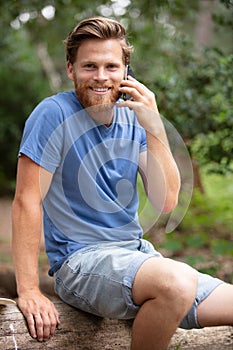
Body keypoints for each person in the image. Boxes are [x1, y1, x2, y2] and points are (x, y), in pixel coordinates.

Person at [12, 17, 233, 350]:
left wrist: (154, 126)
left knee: (186, 285)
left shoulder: (134, 118)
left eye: (111, 66)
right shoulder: (53, 114)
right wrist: (28, 289)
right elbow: (26, 201)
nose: (101, 77)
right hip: (80, 262)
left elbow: (166, 201)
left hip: (136, 256)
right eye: (89, 66)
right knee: (176, 282)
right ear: (71, 70)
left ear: (126, 71)